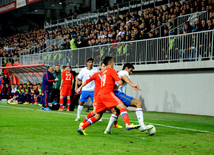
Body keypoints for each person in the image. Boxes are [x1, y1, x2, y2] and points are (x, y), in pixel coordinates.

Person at [77, 56, 140, 135]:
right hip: (107, 93)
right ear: (110, 63)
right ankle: (128, 124)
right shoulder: (111, 70)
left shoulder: (104, 72)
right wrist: (120, 79)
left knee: (97, 116)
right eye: (113, 62)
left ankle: (82, 127)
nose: (114, 63)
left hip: (100, 94)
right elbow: (120, 82)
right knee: (122, 106)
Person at [104, 63, 153, 134]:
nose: (131, 73)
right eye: (130, 70)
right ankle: (142, 125)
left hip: (114, 93)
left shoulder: (119, 73)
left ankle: (107, 130)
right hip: (118, 94)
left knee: (116, 112)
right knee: (138, 103)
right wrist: (132, 85)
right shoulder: (123, 72)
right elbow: (124, 76)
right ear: (126, 68)